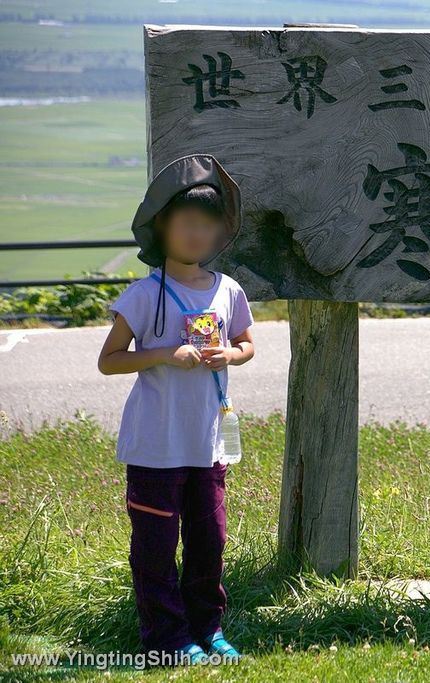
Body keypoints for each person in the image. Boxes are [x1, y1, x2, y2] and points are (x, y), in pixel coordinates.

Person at [97, 153, 255, 666]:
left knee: (210, 543)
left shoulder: (228, 290)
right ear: (162, 227)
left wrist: (227, 354)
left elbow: (247, 344)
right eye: (186, 222)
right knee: (156, 548)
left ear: (219, 234)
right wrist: (166, 353)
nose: (196, 235)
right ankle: (166, 638)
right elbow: (109, 361)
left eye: (207, 225)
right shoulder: (145, 294)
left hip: (207, 445)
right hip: (154, 446)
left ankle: (209, 632)